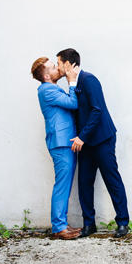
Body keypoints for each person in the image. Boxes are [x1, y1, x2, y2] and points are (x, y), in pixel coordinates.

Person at [55, 48, 131, 238]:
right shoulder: (72, 84)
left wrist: (82, 137)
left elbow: (97, 110)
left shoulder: (89, 80)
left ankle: (123, 222)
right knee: (84, 184)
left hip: (102, 139)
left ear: (68, 63)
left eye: (59, 63)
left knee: (112, 180)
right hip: (86, 143)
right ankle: (89, 224)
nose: (57, 67)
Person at [31, 57, 81, 240]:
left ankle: (62, 224)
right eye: (53, 67)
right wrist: (72, 82)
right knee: (62, 185)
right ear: (46, 76)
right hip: (61, 143)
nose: (57, 69)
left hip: (63, 142)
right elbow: (73, 103)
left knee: (64, 184)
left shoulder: (49, 88)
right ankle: (59, 226)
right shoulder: (48, 90)